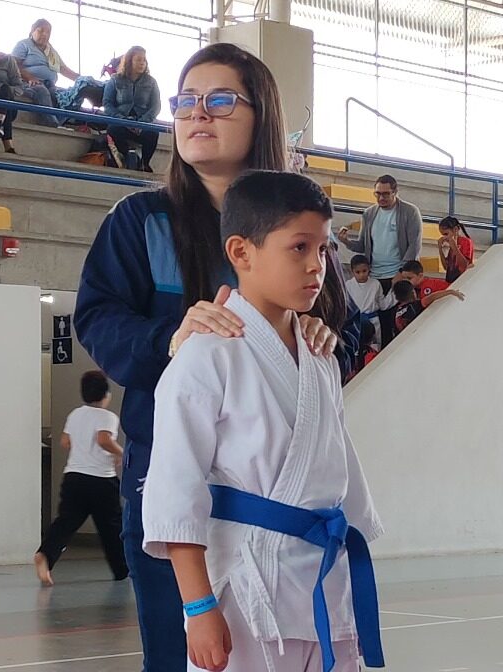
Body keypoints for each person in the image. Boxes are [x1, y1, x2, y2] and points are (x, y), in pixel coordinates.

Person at [74, 43, 351, 672]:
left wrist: (326, 333)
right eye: (186, 102)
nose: (199, 113)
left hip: (289, 516)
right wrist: (169, 339)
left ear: (263, 115)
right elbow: (98, 317)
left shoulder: (303, 224)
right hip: (173, 487)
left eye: (220, 99)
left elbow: (343, 327)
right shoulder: (139, 221)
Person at [142, 170, 384, 672]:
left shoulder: (320, 355)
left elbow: (338, 475)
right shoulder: (203, 356)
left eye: (323, 250)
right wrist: (198, 607)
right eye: (299, 247)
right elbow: (175, 492)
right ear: (241, 252)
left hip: (324, 582)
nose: (316, 266)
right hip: (245, 585)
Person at [35, 370, 128, 586]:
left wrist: (83, 449)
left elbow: (65, 442)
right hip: (101, 480)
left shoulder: (75, 414)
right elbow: (104, 439)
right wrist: (120, 453)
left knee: (66, 522)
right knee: (111, 527)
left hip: (74, 477)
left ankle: (46, 555)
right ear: (106, 394)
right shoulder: (108, 417)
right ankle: (122, 570)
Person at [336, 174, 422, 348]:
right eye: (377, 194)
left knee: (397, 324)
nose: (381, 198)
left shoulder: (409, 212)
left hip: (398, 275)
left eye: (385, 194)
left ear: (395, 192)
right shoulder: (369, 213)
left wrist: (401, 273)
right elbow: (363, 246)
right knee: (378, 329)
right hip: (375, 276)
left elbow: (414, 245)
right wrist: (346, 241)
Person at [103, 46, 161, 172]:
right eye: (138, 59)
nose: (142, 63)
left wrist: (143, 122)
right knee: (113, 129)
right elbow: (107, 104)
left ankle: (144, 163)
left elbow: (156, 106)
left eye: (144, 60)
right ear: (129, 61)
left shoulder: (151, 82)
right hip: (122, 122)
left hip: (143, 123)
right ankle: (125, 156)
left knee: (153, 133)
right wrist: (122, 120)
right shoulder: (115, 79)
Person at [12, 19, 80, 115]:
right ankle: (52, 124)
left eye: (48, 32)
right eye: (41, 31)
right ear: (33, 30)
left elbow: (63, 69)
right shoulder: (24, 44)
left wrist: (83, 81)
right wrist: (30, 78)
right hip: (29, 84)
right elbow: (14, 65)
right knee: (42, 90)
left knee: (70, 95)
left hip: (50, 85)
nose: (45, 34)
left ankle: (60, 121)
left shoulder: (51, 51)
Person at [344, 254, 395, 348]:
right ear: (352, 272)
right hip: (356, 322)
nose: (362, 274)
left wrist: (394, 291)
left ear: (369, 269)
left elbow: (383, 305)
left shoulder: (375, 284)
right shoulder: (348, 285)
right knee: (356, 347)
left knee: (373, 349)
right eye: (358, 272)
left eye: (364, 271)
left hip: (373, 321)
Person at [398, 260, 465, 309]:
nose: (406, 281)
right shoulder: (415, 288)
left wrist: (450, 292)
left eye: (409, 278)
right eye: (404, 278)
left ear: (420, 276)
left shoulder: (427, 287)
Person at [437, 216, 474, 283]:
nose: (444, 237)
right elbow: (446, 267)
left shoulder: (466, 242)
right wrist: (440, 249)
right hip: (450, 281)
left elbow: (464, 266)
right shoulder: (452, 244)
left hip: (462, 281)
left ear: (455, 229)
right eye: (443, 235)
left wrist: (455, 248)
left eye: (446, 234)